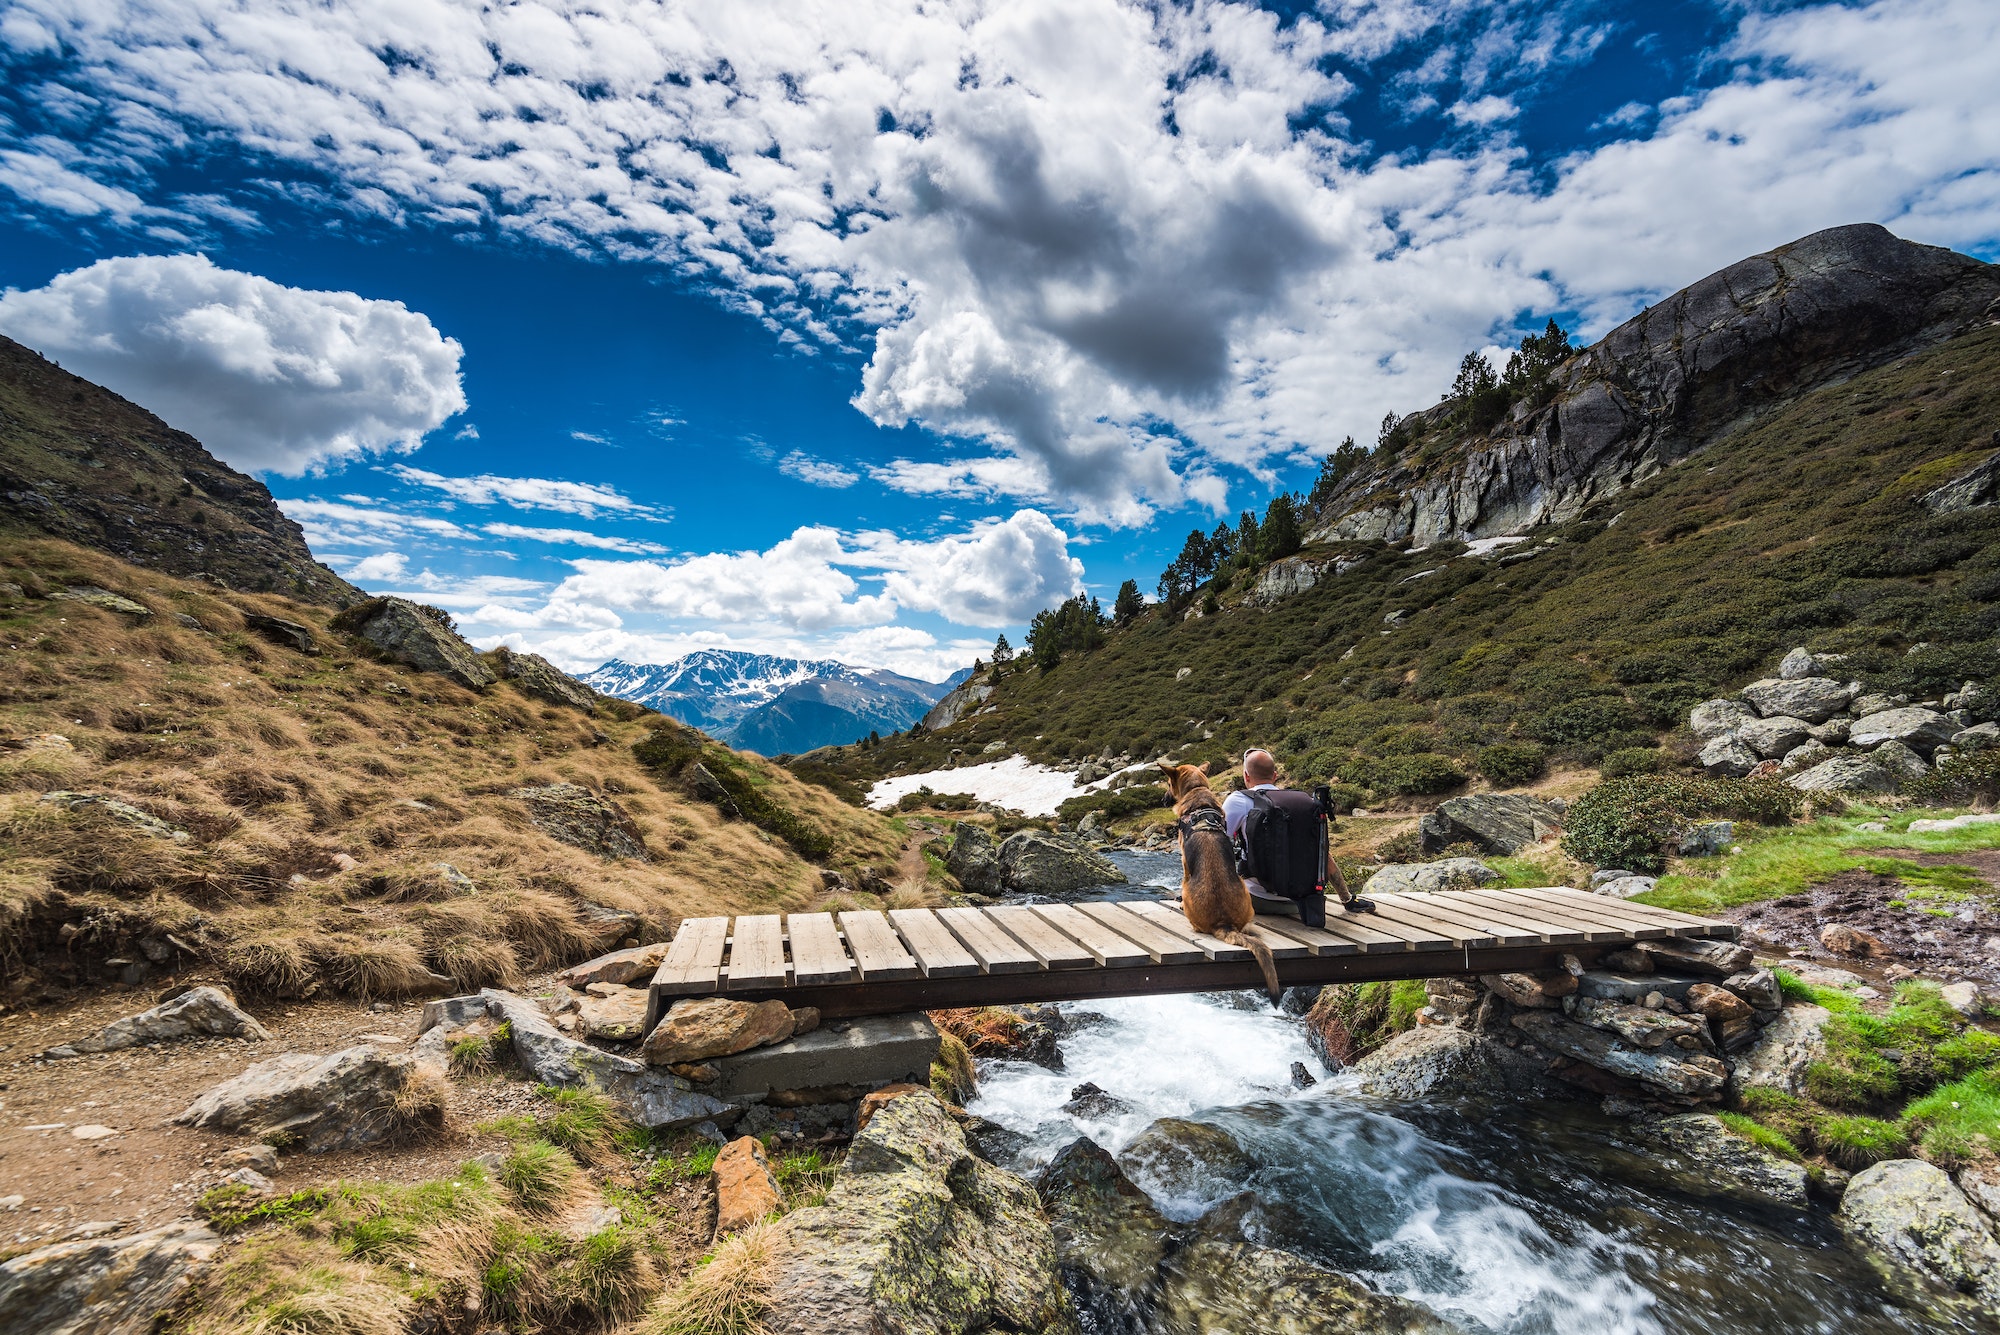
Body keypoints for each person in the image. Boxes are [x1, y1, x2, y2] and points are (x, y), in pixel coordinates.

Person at [1221, 748, 1376, 927]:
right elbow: (1323, 854)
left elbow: (1215, 846)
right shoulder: (1304, 802)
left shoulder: (1238, 800)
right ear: (1275, 776)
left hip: (1256, 901)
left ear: (1246, 776)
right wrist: (1347, 900)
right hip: (1301, 905)